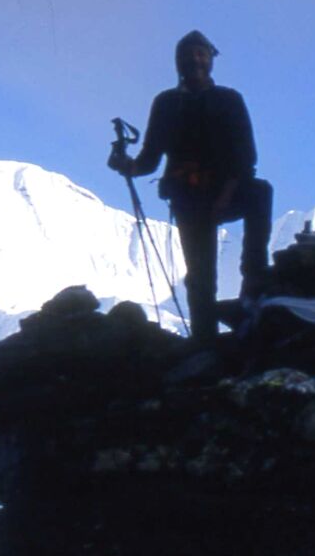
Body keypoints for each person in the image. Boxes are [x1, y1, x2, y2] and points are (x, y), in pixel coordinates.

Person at [108, 30, 273, 337]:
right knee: (200, 275)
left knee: (260, 192)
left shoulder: (229, 100)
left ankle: (254, 277)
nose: (195, 59)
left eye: (200, 54)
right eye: (190, 54)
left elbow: (246, 156)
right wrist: (127, 166)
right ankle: (204, 340)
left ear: (210, 60)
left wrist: (226, 195)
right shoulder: (167, 103)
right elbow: (150, 159)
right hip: (189, 195)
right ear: (179, 62)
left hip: (224, 190)